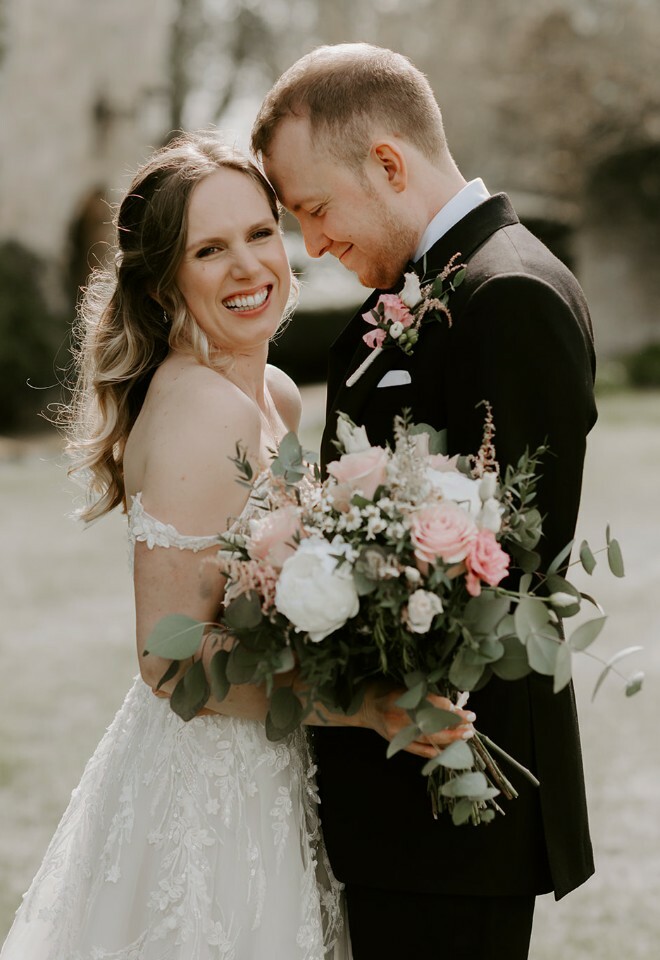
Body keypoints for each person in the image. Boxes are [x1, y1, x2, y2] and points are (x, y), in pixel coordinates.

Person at [0, 132, 475, 960]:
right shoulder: (199, 411)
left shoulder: (276, 397)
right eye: (209, 250)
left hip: (277, 762)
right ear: (161, 285)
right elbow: (167, 659)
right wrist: (360, 706)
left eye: (260, 232)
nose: (250, 266)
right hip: (209, 790)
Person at [251, 43, 597, 960]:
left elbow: (510, 566)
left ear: (390, 164)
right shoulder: (420, 288)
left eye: (316, 209)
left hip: (449, 803)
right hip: (387, 797)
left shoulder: (509, 294)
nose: (313, 244)